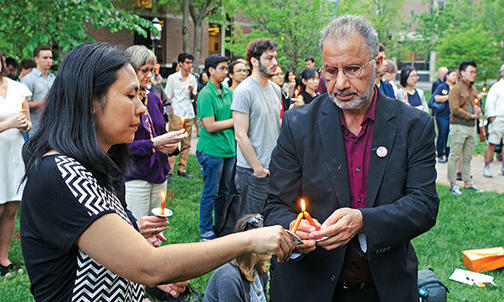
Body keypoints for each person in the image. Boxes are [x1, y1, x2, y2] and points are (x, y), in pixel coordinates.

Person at [20, 42, 294, 302]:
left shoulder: (102, 167)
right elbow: (149, 266)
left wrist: (138, 250)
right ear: (91, 100)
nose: (141, 108)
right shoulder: (60, 173)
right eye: (130, 96)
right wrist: (248, 240)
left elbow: (124, 266)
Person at [263, 15, 439, 301]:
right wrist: (296, 228)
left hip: (381, 289)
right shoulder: (298, 123)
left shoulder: (413, 126)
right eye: (330, 71)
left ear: (378, 64)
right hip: (307, 286)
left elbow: (424, 205)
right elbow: (275, 205)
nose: (340, 83)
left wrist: (363, 222)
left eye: (353, 69)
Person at [123, 45, 185, 218]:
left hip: (158, 174)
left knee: (157, 231)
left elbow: (159, 132)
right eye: (144, 70)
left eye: (152, 70)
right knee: (137, 230)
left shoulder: (153, 99)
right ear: (130, 70)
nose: (150, 76)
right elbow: (120, 146)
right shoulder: (123, 102)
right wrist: (153, 143)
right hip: (135, 175)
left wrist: (172, 147)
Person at [232, 38, 282, 217]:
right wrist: (258, 169)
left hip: (275, 168)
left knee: (271, 219)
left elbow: (276, 126)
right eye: (269, 58)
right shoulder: (244, 91)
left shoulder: (276, 90)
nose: (275, 63)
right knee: (250, 224)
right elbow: (240, 135)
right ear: (254, 61)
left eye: (275, 57)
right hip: (251, 171)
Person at [196, 55, 235, 241]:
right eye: (222, 68)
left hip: (229, 149)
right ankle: (205, 230)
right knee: (211, 191)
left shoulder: (228, 93)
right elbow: (209, 126)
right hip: (211, 150)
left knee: (224, 192)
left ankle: (220, 226)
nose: (226, 72)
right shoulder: (206, 94)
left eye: (227, 68)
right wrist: (235, 121)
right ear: (211, 70)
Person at [0, 52, 32, 277]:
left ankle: (3, 259)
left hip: (13, 154)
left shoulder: (18, 87)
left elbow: (27, 120)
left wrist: (23, 125)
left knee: (11, 207)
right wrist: (8, 123)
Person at [204, 214, 270, 302]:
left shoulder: (259, 268)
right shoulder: (229, 278)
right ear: (252, 247)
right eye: (267, 241)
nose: (273, 245)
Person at [447, 60, 482, 194]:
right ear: (462, 73)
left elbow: (474, 104)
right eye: (471, 72)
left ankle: (467, 182)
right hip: (458, 126)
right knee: (455, 155)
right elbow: (454, 109)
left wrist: (477, 110)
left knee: (468, 156)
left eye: (475, 72)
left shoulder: (473, 89)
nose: (474, 74)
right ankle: (453, 184)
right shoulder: (455, 89)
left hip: (471, 126)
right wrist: (470, 116)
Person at [164, 53, 198, 179]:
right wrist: (171, 111)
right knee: (173, 142)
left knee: (186, 143)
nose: (190, 65)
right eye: (187, 63)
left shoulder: (192, 79)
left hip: (188, 112)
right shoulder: (172, 78)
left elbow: (193, 98)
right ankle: (169, 170)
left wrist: (190, 91)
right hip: (177, 112)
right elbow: (168, 96)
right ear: (180, 64)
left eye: (191, 63)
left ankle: (182, 169)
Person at [20, 45, 54, 132]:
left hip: (53, 127)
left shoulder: (54, 78)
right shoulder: (28, 79)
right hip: (35, 128)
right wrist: (43, 102)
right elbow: (21, 105)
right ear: (36, 59)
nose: (49, 60)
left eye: (50, 58)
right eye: (45, 58)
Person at [431, 69, 458, 163]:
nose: (455, 77)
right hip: (442, 114)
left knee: (450, 136)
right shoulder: (442, 86)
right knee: (442, 134)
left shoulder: (456, 87)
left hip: (453, 116)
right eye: (453, 75)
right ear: (448, 76)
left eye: (456, 75)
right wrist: (448, 96)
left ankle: (448, 153)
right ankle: (440, 154)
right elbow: (436, 98)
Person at [483, 64, 504, 177]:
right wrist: (491, 116)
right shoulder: (496, 86)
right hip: (498, 118)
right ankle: (486, 166)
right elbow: (490, 102)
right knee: (492, 143)